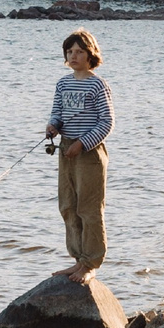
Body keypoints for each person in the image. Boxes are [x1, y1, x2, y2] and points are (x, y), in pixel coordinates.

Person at [47, 28, 115, 282]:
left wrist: (83, 144)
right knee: (68, 206)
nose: (73, 56)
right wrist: (53, 126)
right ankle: (77, 260)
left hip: (89, 153)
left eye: (79, 51)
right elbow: (57, 113)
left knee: (89, 209)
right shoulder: (63, 83)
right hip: (65, 149)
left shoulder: (98, 84)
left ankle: (91, 263)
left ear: (90, 55)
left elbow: (107, 122)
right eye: (70, 51)